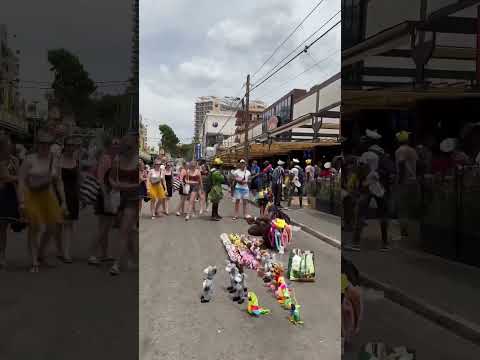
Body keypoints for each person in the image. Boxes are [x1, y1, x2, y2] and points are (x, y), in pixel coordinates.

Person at [18, 130, 67, 272]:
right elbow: (21, 181)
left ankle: (41, 253)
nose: (44, 146)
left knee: (53, 227)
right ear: (37, 144)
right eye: (42, 143)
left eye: (47, 144)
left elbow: (59, 182)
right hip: (32, 197)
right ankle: (34, 262)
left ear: (51, 145)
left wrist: (63, 201)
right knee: (35, 228)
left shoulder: (55, 160)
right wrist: (21, 201)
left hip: (49, 197)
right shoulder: (29, 159)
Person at [109, 133, 139, 276]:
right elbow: (111, 177)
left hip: (132, 199)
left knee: (124, 230)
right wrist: (114, 184)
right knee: (129, 232)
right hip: (119, 198)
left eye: (129, 144)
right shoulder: (118, 159)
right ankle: (134, 259)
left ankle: (116, 264)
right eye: (125, 143)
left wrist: (122, 187)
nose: (126, 146)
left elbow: (140, 185)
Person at [57, 136, 82, 263]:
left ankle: (65, 252)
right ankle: (59, 250)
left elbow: (79, 179)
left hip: (72, 195)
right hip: (59, 194)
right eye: (69, 145)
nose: (71, 148)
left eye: (73, 145)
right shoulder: (57, 160)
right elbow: (57, 179)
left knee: (69, 224)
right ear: (64, 146)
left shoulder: (76, 161)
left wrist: (81, 196)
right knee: (58, 224)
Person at [0, 134, 21, 270]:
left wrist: (20, 199)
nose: (10, 146)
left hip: (8, 195)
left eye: (10, 144)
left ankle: (2, 256)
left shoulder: (14, 160)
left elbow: (17, 178)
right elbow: (6, 177)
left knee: (3, 228)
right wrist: (15, 178)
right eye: (8, 145)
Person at [394, 130, 419, 242]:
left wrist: (399, 181)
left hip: (404, 182)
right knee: (411, 206)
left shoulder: (400, 150)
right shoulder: (413, 150)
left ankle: (404, 233)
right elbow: (417, 165)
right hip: (413, 180)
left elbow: (401, 163)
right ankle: (413, 232)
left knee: (403, 207)